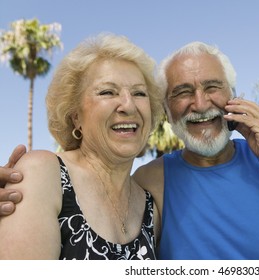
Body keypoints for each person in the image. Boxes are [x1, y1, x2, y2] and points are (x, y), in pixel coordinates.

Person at [0, 41, 259, 260]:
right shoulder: (151, 182)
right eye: (182, 92)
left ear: (232, 97)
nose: (200, 102)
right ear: (168, 110)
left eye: (212, 87)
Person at [0, 33, 164, 260]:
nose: (129, 105)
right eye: (108, 91)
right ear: (75, 117)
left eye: (139, 93)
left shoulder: (150, 208)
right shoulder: (44, 174)